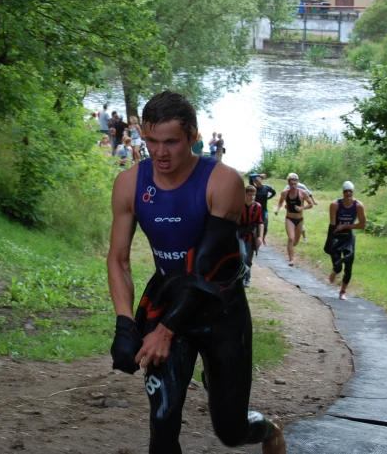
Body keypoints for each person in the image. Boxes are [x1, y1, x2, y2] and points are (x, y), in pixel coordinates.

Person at [107, 90, 286, 454]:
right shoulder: (129, 184)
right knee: (162, 420)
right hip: (168, 303)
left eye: (171, 142)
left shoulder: (222, 182)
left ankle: (269, 431)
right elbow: (118, 259)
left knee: (231, 431)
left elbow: (208, 269)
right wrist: (125, 323)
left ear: (193, 136)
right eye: (152, 141)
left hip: (222, 312)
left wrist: (165, 330)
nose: (160, 153)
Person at [324, 181, 366, 301]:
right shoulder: (335, 204)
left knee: (348, 267)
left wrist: (345, 226)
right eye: (346, 191)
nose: (348, 193)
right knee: (338, 267)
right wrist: (329, 243)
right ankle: (334, 271)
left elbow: (362, 225)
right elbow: (332, 226)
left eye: (350, 191)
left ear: (353, 192)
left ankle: (342, 292)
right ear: (343, 192)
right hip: (336, 236)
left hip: (348, 237)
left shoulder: (358, 206)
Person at [274, 173, 315, 267]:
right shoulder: (285, 193)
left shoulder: (302, 193)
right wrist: (278, 209)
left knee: (295, 241)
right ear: (288, 184)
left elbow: (311, 204)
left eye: (295, 184)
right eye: (291, 184)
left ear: (297, 183)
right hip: (289, 218)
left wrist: (302, 208)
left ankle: (290, 249)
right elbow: (280, 201)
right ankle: (291, 259)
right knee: (291, 238)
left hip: (299, 219)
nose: (293, 186)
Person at [240, 185, 264, 287]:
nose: (252, 197)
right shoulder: (238, 205)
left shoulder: (257, 206)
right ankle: (240, 277)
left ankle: (247, 278)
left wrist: (260, 237)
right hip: (240, 235)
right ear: (245, 195)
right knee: (242, 255)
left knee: (249, 259)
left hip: (251, 236)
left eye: (254, 195)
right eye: (250, 194)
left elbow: (260, 222)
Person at [248, 174, 277, 246]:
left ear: (261, 180)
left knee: (265, 225)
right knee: (254, 224)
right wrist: (259, 174)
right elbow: (250, 176)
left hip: (264, 210)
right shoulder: (254, 188)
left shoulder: (267, 188)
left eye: (259, 181)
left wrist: (268, 198)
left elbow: (274, 192)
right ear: (255, 182)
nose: (258, 183)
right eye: (256, 182)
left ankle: (263, 237)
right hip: (255, 209)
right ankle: (256, 238)